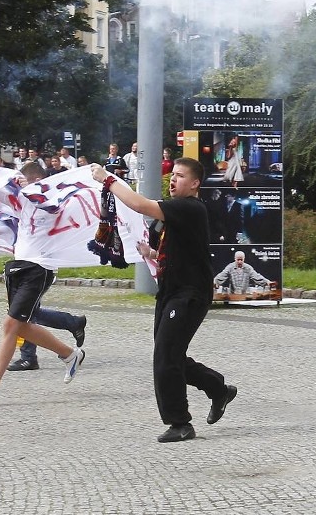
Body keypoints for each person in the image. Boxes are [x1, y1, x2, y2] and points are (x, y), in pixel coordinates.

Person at [91, 157, 236, 443]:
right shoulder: (175, 214)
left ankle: (180, 423)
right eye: (173, 174)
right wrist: (152, 253)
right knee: (170, 355)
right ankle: (217, 387)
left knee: (165, 356)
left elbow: (140, 204)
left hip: (190, 293)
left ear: (195, 184)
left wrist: (108, 179)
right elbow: (181, 251)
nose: (173, 179)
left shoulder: (189, 207)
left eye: (181, 176)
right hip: (171, 290)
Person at [0, 162, 86, 401]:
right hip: (20, 266)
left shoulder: (52, 200)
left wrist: (28, 189)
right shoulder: (23, 201)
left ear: (37, 180)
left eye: (25, 181)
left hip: (39, 269)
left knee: (10, 324)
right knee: (21, 325)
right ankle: (70, 355)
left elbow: (48, 204)